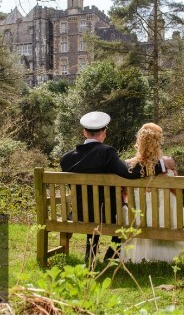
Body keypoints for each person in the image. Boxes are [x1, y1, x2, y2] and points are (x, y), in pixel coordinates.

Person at [60, 112, 165, 263]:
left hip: (79, 214)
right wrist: (160, 165)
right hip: (107, 214)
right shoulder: (106, 152)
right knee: (119, 213)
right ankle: (111, 258)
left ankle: (90, 256)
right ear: (104, 133)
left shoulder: (66, 159)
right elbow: (128, 173)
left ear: (84, 132)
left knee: (93, 206)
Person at [122, 122, 184, 263]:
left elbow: (126, 196)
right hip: (166, 220)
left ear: (139, 141)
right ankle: (163, 259)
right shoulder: (167, 166)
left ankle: (141, 259)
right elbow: (177, 194)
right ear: (158, 142)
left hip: (138, 219)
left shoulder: (129, 167)